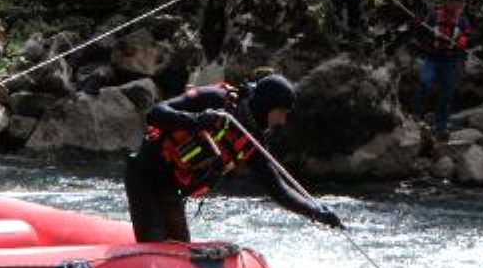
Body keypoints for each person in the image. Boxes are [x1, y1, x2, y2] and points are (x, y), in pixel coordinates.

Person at [123, 74, 343, 242]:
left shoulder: (252, 143)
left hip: (171, 190)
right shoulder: (215, 99)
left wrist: (316, 212)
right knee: (155, 243)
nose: (282, 121)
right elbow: (155, 113)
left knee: (178, 250)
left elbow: (279, 190)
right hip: (146, 174)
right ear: (268, 107)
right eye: (281, 112)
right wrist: (197, 119)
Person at [412, 0, 474, 141]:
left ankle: (441, 127)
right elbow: (423, 30)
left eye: (459, 1)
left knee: (446, 94)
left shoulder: (462, 20)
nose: (457, 3)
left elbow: (469, 35)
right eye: (454, 0)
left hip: (451, 59)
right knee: (425, 82)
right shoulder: (434, 15)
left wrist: (464, 40)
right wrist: (418, 25)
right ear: (446, 1)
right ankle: (416, 116)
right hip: (433, 56)